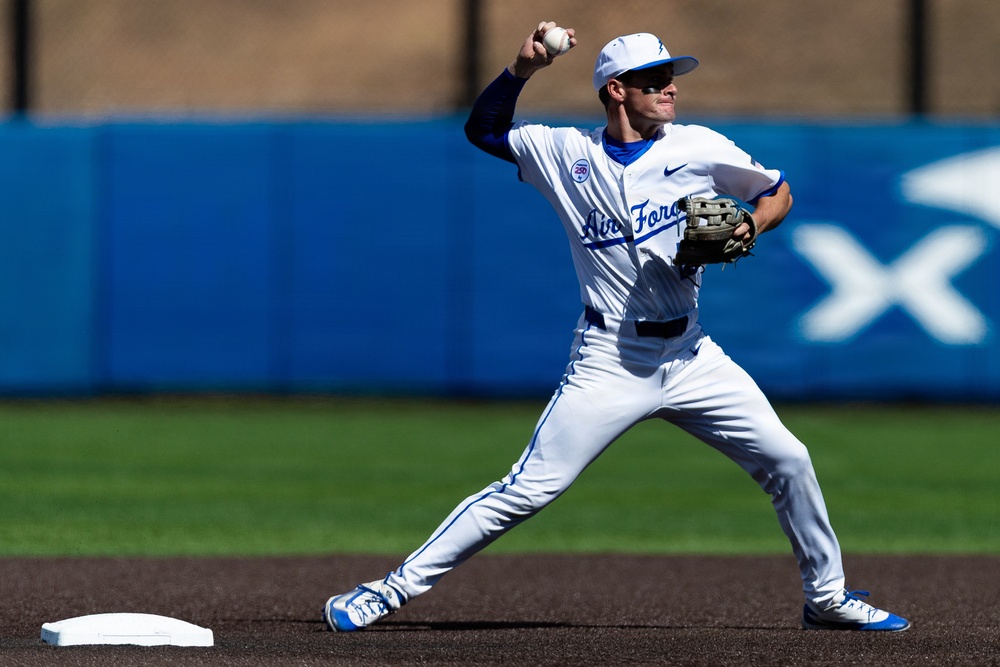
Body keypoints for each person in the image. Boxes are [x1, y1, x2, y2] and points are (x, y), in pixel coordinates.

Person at [322, 22, 910, 633]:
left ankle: (827, 597)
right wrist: (522, 69)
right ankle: (386, 592)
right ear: (615, 91)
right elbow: (484, 131)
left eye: (671, 78)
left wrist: (752, 225)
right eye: (654, 80)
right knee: (529, 489)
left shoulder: (697, 147)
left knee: (789, 459)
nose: (669, 89)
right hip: (610, 357)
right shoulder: (563, 153)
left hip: (691, 355)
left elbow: (777, 191)